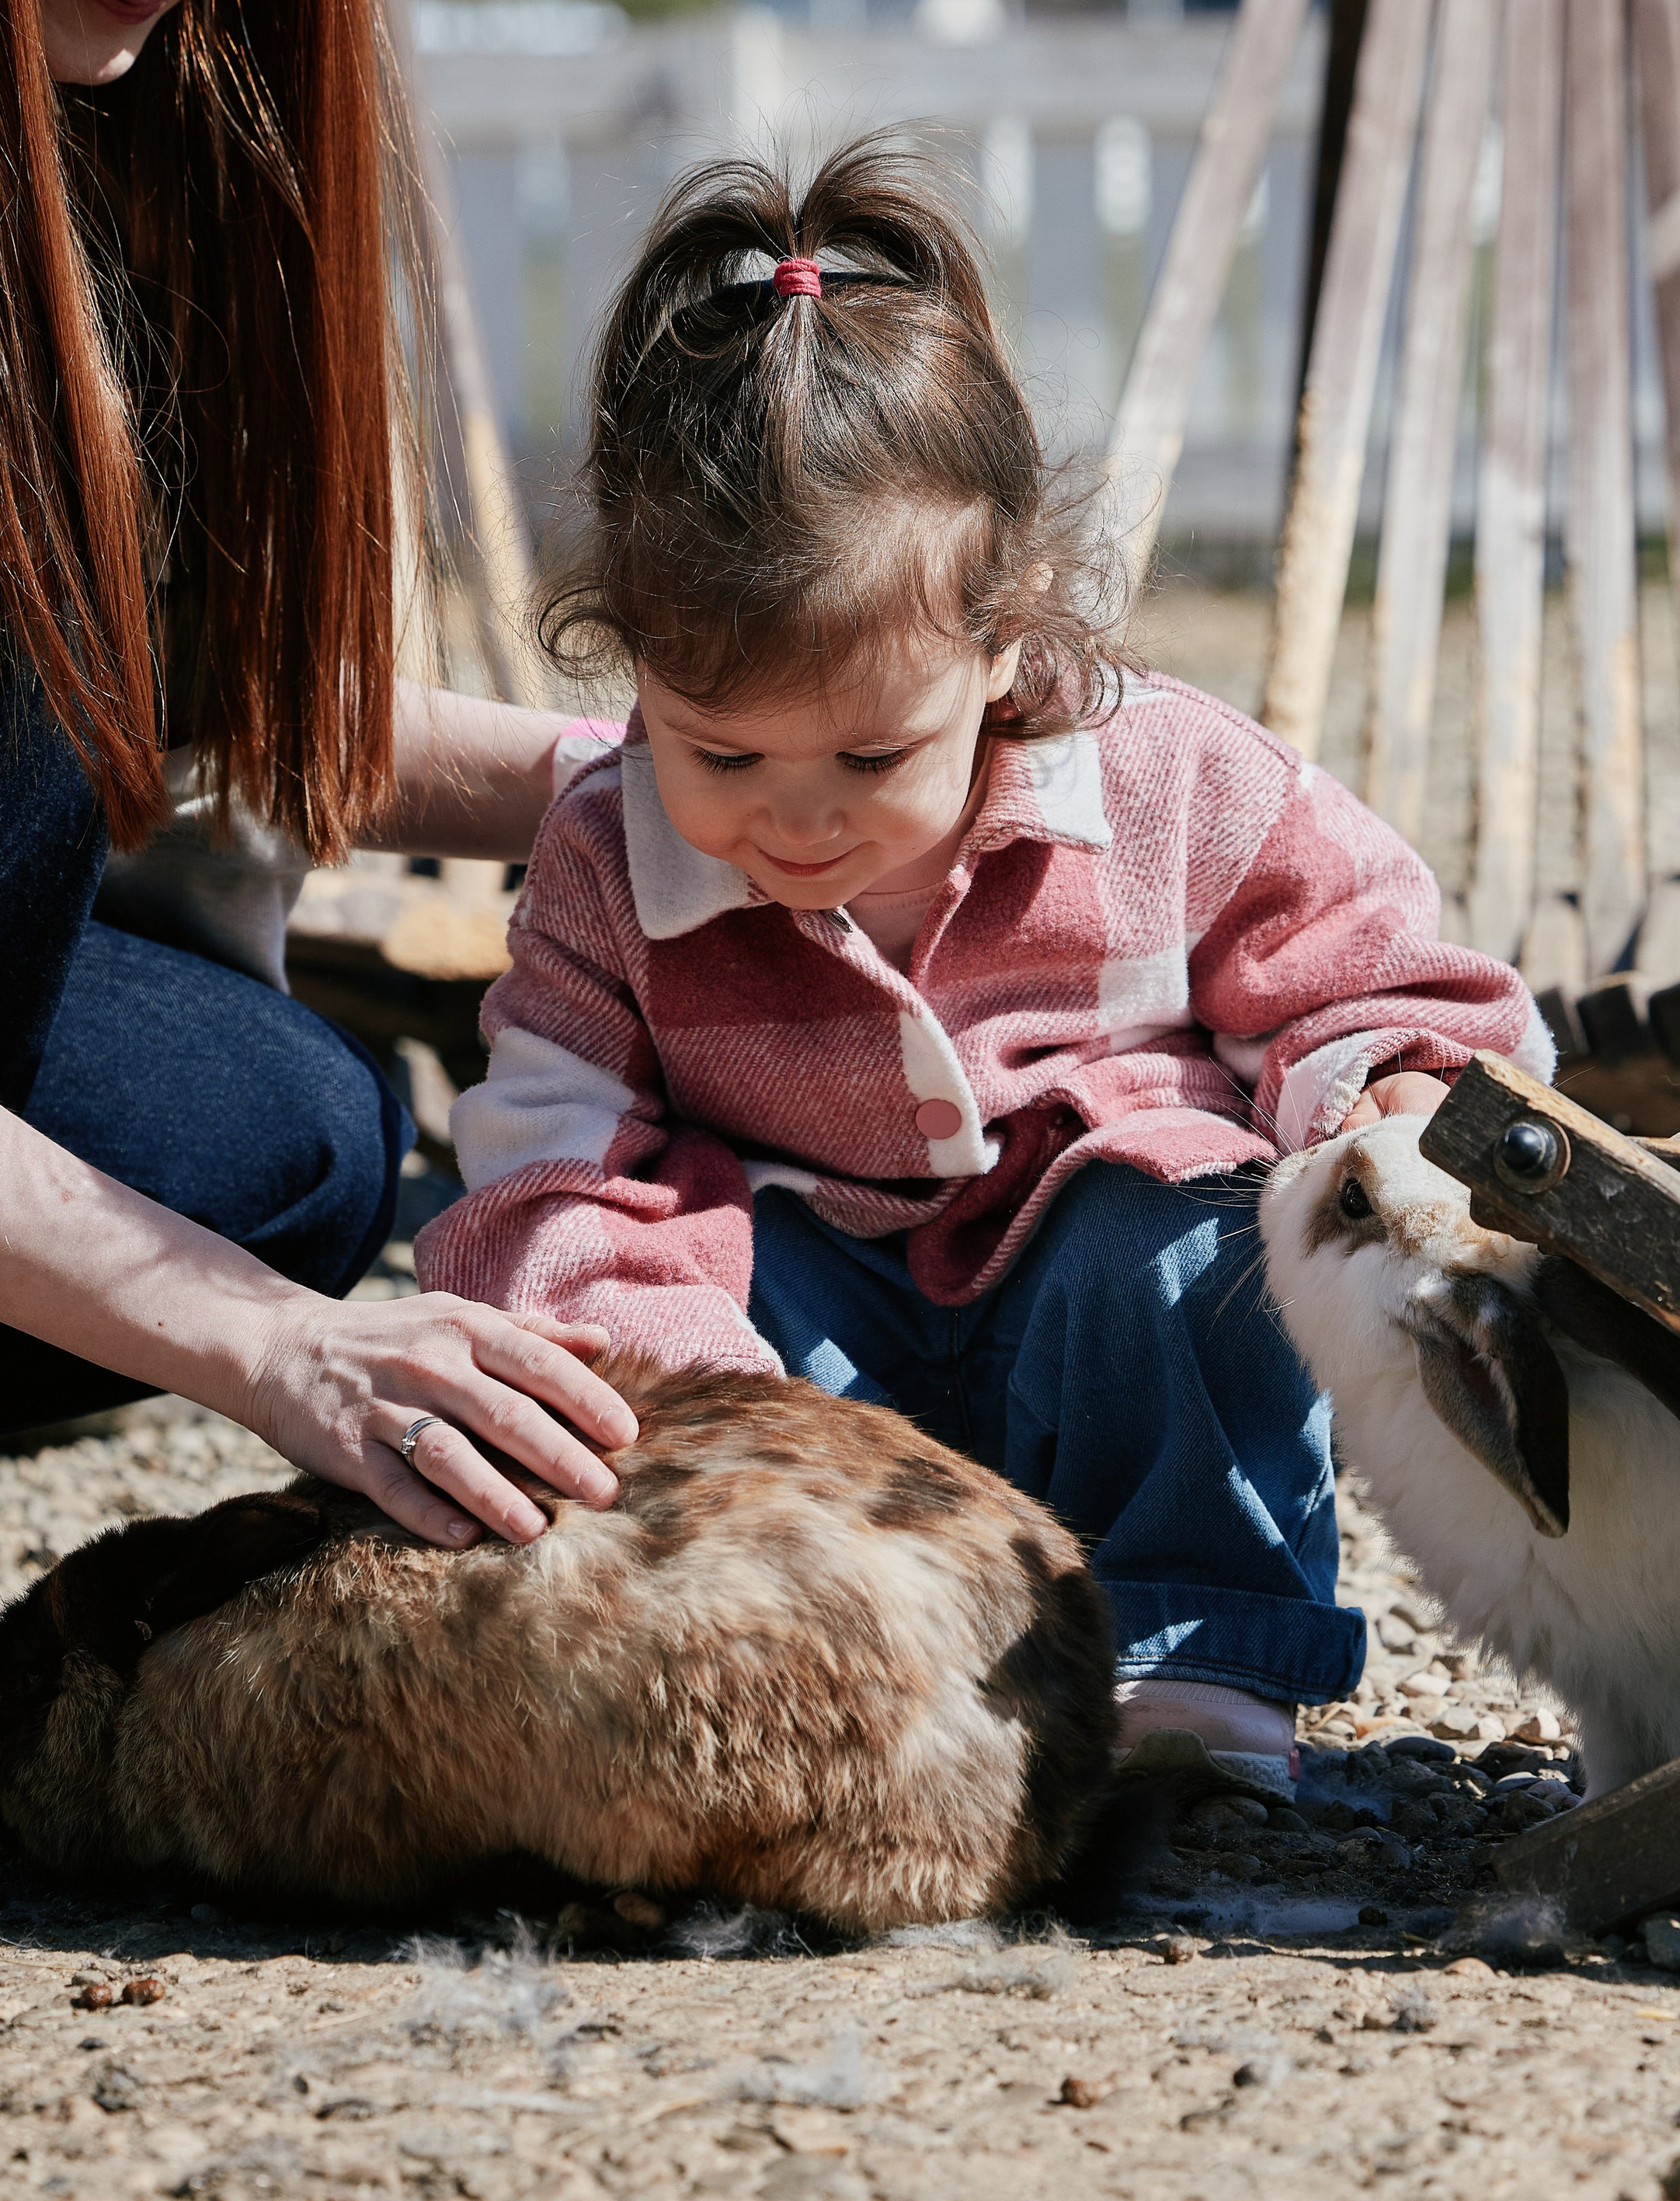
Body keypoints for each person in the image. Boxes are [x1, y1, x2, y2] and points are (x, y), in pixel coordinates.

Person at [416, 140, 1554, 1757]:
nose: (793, 824)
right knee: (646, 1349)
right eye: (719, 757)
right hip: (810, 1315)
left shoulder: (1163, 781)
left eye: (873, 760)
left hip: (1090, 1302)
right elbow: (544, 1162)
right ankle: (857, 1664)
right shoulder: (609, 851)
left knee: (1183, 1243)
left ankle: (1193, 1655)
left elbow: (1365, 972)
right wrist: (675, 1359)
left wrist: (1382, 1104)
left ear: (1005, 629)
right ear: (630, 668)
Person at [0, 0, 632, 1543]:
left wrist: (635, 788)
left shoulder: (108, 116)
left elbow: (123, 694)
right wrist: (266, 1351)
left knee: (284, 1127)